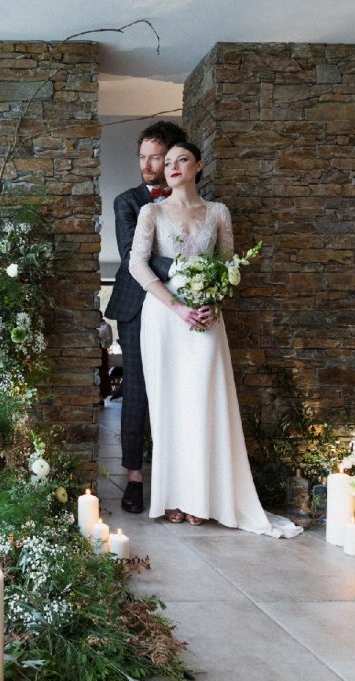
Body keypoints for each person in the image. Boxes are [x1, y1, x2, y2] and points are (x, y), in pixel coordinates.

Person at [128, 141, 300, 538]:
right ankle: (172, 497)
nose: (171, 166)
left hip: (207, 316)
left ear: (198, 165)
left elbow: (228, 265)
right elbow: (136, 263)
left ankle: (203, 499)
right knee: (169, 404)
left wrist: (214, 302)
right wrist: (176, 306)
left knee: (204, 402)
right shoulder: (151, 212)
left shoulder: (218, 212)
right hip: (166, 316)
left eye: (180, 160)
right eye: (166, 162)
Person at [105, 120, 188, 514]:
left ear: (172, 157)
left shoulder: (194, 202)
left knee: (178, 388)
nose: (147, 164)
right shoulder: (126, 201)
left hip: (183, 307)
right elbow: (129, 255)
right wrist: (185, 268)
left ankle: (180, 478)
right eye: (143, 156)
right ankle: (134, 479)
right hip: (136, 306)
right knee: (135, 390)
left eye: (155, 157)